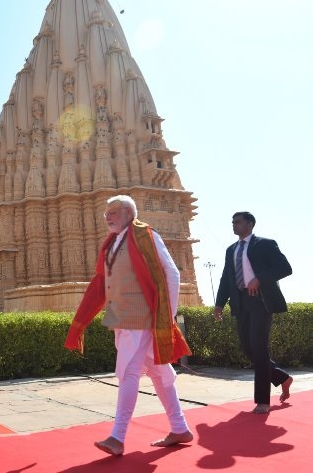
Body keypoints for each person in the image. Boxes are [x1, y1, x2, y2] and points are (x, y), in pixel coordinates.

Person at [64, 195, 193, 456]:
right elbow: (101, 282)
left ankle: (118, 437)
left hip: (141, 317)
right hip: (122, 319)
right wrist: (80, 321)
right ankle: (179, 427)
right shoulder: (111, 243)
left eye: (112, 212)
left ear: (127, 212)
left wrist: (166, 315)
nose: (107, 217)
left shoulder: (145, 235)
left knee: (128, 371)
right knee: (159, 372)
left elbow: (172, 273)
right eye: (105, 214)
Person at [213, 211, 293, 414]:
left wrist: (260, 278)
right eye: (232, 222)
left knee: (259, 347)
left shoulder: (265, 244)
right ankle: (282, 377)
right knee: (248, 348)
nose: (233, 225)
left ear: (249, 224)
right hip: (240, 302)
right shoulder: (231, 249)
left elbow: (285, 268)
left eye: (237, 222)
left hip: (261, 301)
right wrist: (220, 303)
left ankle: (263, 401)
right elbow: (226, 278)